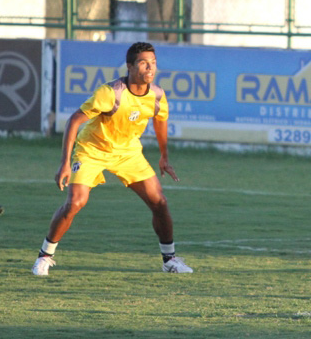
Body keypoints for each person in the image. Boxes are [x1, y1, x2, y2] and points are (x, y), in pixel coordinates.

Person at [31, 42, 192, 276]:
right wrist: (65, 162)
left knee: (160, 202)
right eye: (144, 63)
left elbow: (160, 118)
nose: (151, 68)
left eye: (153, 63)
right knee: (75, 202)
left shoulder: (157, 94)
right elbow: (74, 121)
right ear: (130, 66)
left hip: (128, 153)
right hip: (92, 149)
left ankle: (170, 260)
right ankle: (44, 257)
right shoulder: (111, 92)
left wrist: (164, 156)